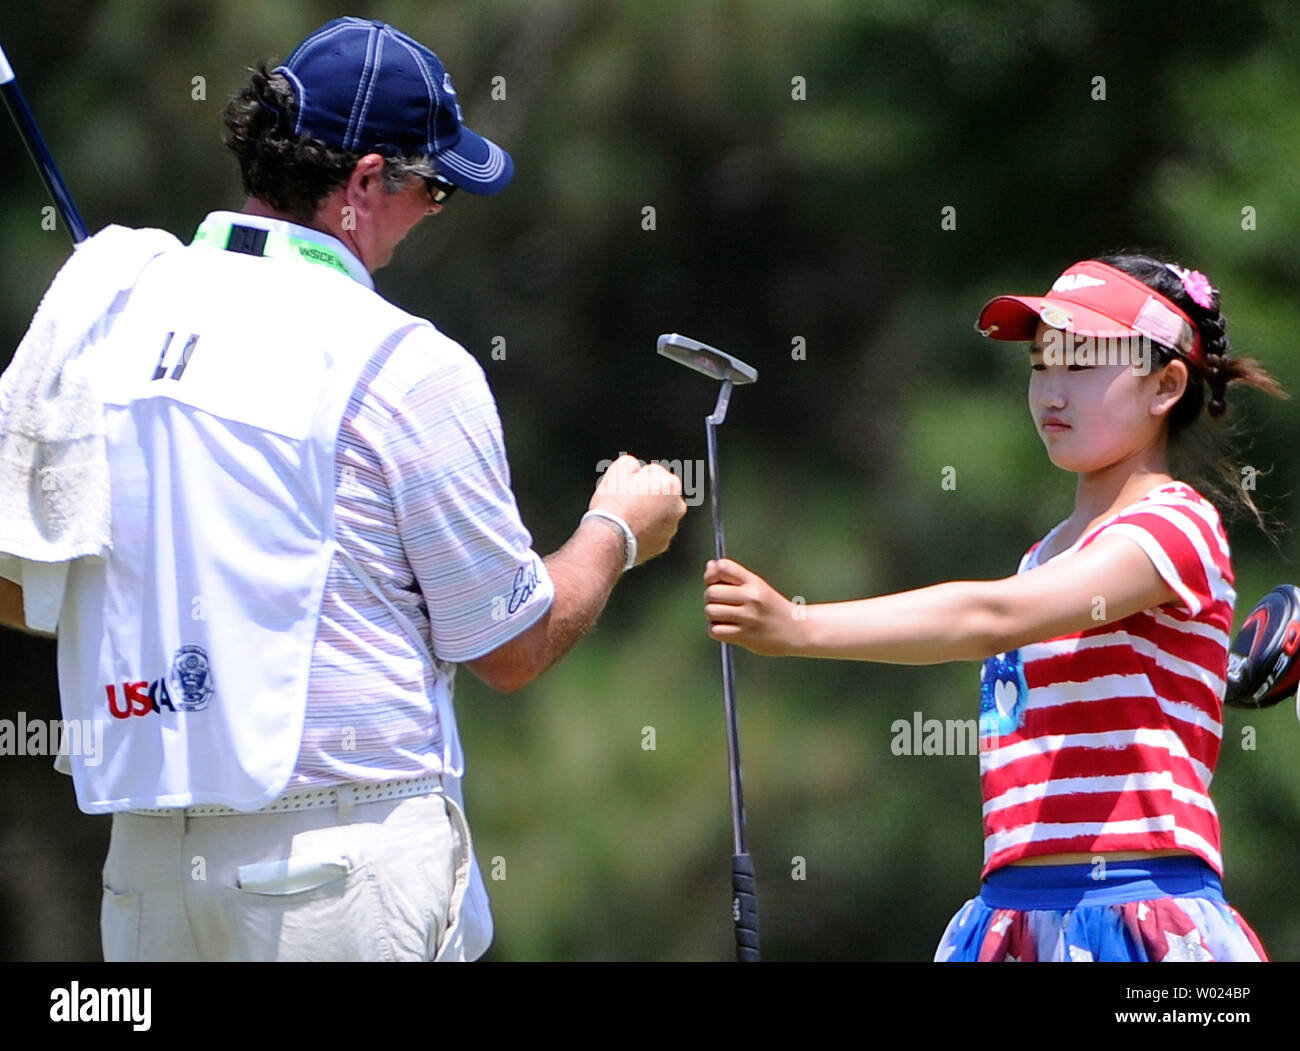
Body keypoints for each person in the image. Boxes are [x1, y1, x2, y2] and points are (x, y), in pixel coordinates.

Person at [0, 16, 685, 962]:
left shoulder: (106, 315)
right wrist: (616, 527)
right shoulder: (406, 362)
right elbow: (512, 645)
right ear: (366, 182)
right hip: (336, 868)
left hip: (146, 874)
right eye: (434, 187)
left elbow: (20, 587)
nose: (436, 209)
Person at [702, 254, 1283, 961]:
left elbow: (990, 618)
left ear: (1166, 385)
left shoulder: (1177, 523)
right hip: (1011, 919)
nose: (1051, 391)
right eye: (1042, 365)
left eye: (1082, 365)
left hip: (1140, 913)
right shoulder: (1042, 557)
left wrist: (796, 626)